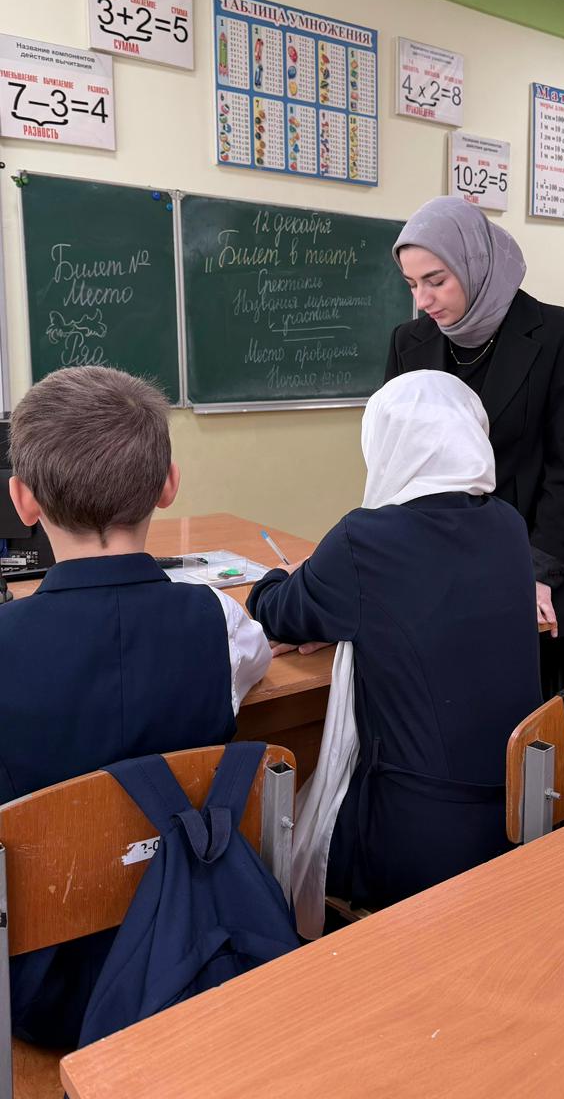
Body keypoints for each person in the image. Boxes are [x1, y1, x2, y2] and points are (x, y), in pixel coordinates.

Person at [1, 365, 271, 1046]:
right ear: (168, 485)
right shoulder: (221, 625)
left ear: (22, 499)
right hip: (194, 945)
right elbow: (256, 662)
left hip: (37, 986)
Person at [247, 371, 542, 930]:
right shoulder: (508, 525)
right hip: (520, 810)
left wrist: (290, 577)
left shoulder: (365, 541)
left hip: (414, 839)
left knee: (276, 819)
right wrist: (347, 608)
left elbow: (274, 610)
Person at [385, 197, 564, 699]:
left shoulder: (556, 334)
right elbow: (395, 461)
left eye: (436, 280)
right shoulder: (408, 342)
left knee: (534, 729)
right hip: (436, 576)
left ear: (474, 264)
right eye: (412, 284)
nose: (423, 299)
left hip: (527, 572)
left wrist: (538, 574)